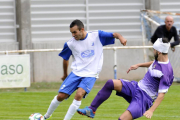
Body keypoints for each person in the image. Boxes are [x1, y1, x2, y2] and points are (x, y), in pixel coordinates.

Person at [43, 19, 127, 120]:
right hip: (76, 73)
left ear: (82, 29)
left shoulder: (97, 35)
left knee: (79, 94)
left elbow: (114, 34)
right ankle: (46, 116)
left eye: (75, 32)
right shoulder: (70, 44)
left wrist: (121, 37)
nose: (73, 35)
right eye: (71, 33)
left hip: (91, 74)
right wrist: (65, 74)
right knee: (61, 96)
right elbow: (65, 59)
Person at [77, 38, 174, 120]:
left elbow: (161, 95)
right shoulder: (160, 59)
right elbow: (154, 63)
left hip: (144, 99)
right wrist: (138, 65)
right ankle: (91, 109)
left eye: (154, 50)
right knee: (110, 83)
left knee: (122, 119)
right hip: (136, 87)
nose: (153, 51)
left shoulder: (167, 72)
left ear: (159, 52)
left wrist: (151, 110)